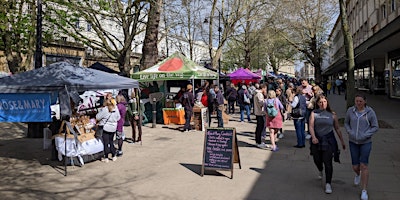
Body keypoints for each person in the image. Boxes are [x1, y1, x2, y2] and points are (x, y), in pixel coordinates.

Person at [309, 95, 346, 194]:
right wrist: (313, 137)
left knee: (328, 162)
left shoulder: (332, 114)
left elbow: (337, 128)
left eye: (324, 101)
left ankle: (328, 183)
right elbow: (311, 126)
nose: (323, 103)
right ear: (317, 103)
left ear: (327, 102)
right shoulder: (314, 113)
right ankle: (320, 169)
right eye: (320, 102)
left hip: (329, 140)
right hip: (317, 139)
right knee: (317, 159)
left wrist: (342, 141)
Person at [344, 94, 378, 200]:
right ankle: (357, 174)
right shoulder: (350, 111)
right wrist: (350, 132)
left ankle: (364, 190)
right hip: (353, 141)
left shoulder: (370, 112)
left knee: (364, 165)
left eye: (360, 101)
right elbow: (346, 123)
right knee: (355, 166)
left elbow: (375, 126)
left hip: (365, 142)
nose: (358, 103)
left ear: (365, 102)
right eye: (356, 101)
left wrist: (365, 135)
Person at [254, 84, 267, 148]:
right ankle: (258, 142)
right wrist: (265, 102)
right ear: (263, 88)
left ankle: (258, 141)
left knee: (259, 127)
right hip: (260, 112)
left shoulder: (257, 94)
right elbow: (261, 103)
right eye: (265, 89)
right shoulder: (259, 94)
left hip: (258, 112)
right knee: (260, 127)